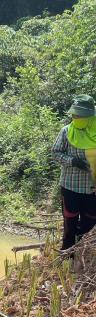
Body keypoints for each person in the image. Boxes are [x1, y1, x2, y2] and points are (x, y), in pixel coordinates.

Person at [52, 94, 96, 250]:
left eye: (80, 115)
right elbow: (55, 153)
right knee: (69, 225)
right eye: (74, 115)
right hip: (70, 186)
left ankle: (82, 257)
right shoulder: (66, 131)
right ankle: (67, 256)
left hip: (91, 190)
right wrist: (73, 162)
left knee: (88, 225)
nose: (76, 117)